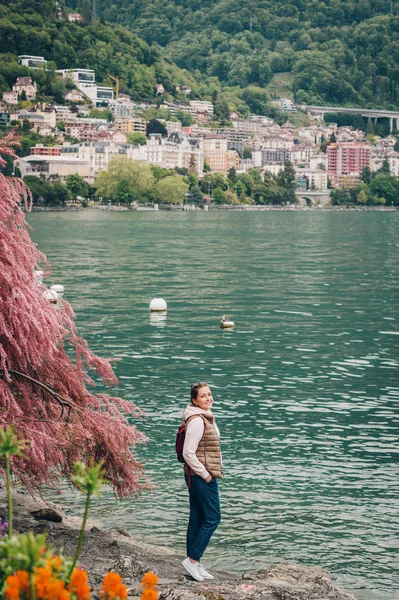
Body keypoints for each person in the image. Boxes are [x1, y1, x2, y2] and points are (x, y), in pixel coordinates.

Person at [181, 382, 222, 582]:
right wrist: (206, 475)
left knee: (197, 518)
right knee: (213, 518)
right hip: (200, 477)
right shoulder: (198, 421)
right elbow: (187, 452)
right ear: (194, 400)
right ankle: (193, 560)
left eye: (209, 394)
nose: (208, 398)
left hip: (197, 476)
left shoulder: (206, 417)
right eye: (203, 396)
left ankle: (194, 562)